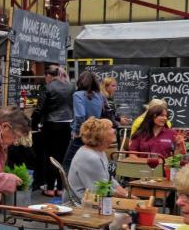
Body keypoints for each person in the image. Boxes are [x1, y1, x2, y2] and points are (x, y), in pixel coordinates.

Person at [33, 65, 74, 197]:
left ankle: (50, 188)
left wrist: (33, 124)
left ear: (49, 76)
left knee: (51, 156)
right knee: (62, 156)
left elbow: (40, 108)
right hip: (67, 123)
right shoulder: (70, 86)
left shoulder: (47, 87)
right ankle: (61, 188)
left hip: (51, 124)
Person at [67, 117, 128, 199]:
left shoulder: (100, 152)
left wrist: (126, 193)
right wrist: (128, 197)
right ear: (101, 135)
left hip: (95, 199)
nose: (114, 130)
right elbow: (100, 189)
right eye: (110, 128)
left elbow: (110, 180)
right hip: (81, 203)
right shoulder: (90, 157)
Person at [62, 71, 104, 169]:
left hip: (82, 134)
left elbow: (80, 116)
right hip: (95, 133)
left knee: (68, 163)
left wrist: (77, 132)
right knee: (87, 163)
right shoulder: (99, 96)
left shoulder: (78, 95)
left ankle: (69, 184)